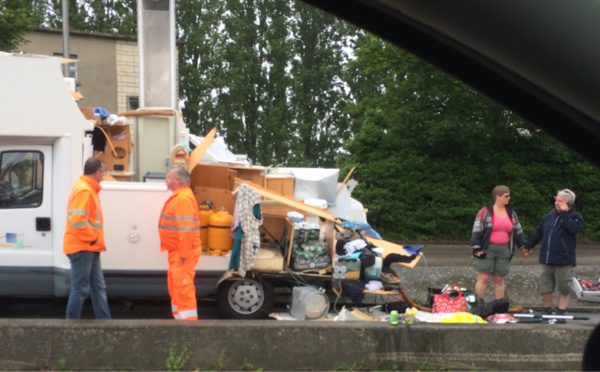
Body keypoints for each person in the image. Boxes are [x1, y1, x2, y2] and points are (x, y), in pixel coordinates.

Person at [522, 189, 583, 317]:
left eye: (560, 201)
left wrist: (565, 214)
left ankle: (561, 311)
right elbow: (539, 231)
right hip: (547, 258)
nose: (556, 203)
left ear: (569, 203)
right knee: (545, 285)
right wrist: (528, 246)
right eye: (556, 200)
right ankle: (546, 309)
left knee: (564, 287)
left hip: (564, 259)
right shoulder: (550, 215)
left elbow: (574, 229)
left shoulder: (576, 216)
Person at [63, 157, 111, 319]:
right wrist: (92, 238)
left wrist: (93, 241)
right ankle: (70, 328)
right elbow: (78, 220)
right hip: (83, 247)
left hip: (88, 247)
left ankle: (106, 323)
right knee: (82, 289)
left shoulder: (85, 188)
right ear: (97, 172)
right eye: (104, 171)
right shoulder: (85, 190)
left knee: (97, 287)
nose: (104, 175)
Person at [158, 164, 202, 320]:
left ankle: (188, 325)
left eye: (168, 177)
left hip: (182, 252)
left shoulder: (183, 199)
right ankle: (180, 321)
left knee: (182, 288)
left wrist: (183, 254)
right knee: (177, 288)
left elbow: (186, 230)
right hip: (177, 251)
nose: (166, 180)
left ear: (177, 180)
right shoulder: (181, 197)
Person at [470, 185, 526, 303]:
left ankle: (499, 306)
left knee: (499, 279)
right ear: (497, 197)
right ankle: (478, 304)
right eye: (506, 196)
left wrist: (523, 246)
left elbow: (518, 230)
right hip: (487, 248)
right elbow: (476, 230)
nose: (509, 198)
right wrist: (476, 248)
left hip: (504, 249)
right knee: (483, 278)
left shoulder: (511, 213)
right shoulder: (485, 211)